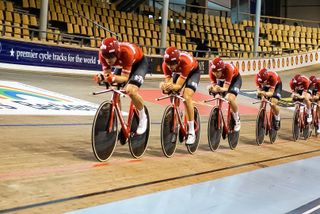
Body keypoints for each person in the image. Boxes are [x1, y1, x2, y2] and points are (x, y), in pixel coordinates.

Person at [94, 37, 148, 135]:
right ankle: (118, 122)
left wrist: (113, 78)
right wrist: (103, 77)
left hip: (139, 64)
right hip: (123, 65)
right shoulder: (103, 54)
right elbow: (108, 75)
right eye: (105, 56)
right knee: (115, 91)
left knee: (131, 90)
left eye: (110, 56)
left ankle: (143, 117)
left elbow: (124, 78)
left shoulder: (126, 52)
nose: (108, 60)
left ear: (117, 53)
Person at [159, 47, 200, 145]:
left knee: (186, 97)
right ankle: (177, 112)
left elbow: (178, 86)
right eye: (168, 64)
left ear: (177, 61)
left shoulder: (186, 62)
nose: (170, 67)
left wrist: (171, 86)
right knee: (171, 92)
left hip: (192, 72)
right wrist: (164, 86)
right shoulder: (166, 65)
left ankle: (191, 132)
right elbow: (170, 84)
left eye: (172, 64)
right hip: (180, 72)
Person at [208, 57, 242, 131]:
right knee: (217, 95)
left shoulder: (228, 69)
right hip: (222, 80)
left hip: (234, 81)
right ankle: (218, 114)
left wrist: (219, 89)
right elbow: (215, 86)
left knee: (230, 98)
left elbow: (225, 88)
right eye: (214, 71)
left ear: (222, 69)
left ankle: (237, 119)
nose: (215, 74)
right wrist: (212, 88)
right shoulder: (211, 71)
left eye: (217, 72)